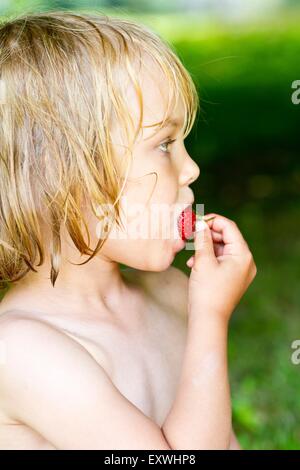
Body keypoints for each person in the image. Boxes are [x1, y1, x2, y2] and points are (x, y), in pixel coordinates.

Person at [0, 11, 256, 450]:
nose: (191, 168)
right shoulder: (21, 352)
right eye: (163, 144)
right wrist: (211, 320)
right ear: (65, 177)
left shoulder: (170, 293)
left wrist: (203, 314)